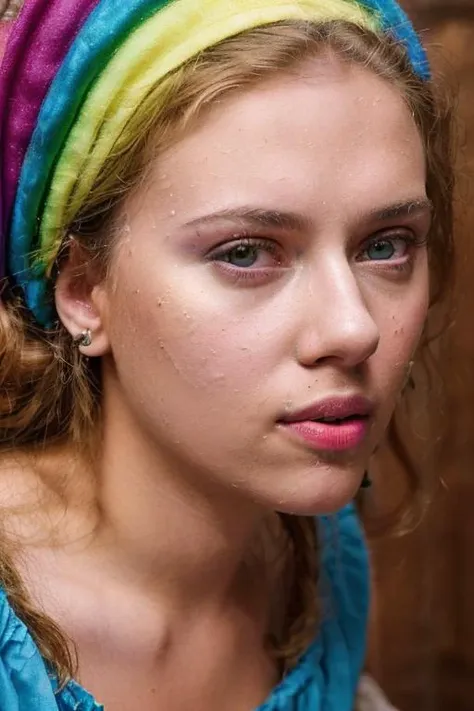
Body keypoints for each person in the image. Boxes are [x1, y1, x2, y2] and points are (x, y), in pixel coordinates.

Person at [0, 0, 453, 709]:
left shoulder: (314, 561)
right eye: (245, 253)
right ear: (86, 290)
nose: (353, 326)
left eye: (386, 244)